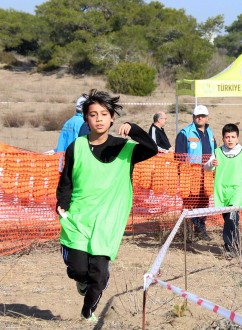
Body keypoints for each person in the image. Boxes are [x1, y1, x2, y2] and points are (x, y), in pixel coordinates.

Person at [56, 89, 158, 322]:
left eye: (104, 113)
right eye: (93, 114)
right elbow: (66, 181)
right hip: (79, 218)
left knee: (99, 276)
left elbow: (151, 149)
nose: (99, 118)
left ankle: (87, 311)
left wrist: (134, 129)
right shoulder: (76, 146)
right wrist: (61, 204)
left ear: (112, 117)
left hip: (109, 221)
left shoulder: (125, 148)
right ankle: (80, 280)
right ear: (86, 119)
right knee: (79, 269)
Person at [203, 123, 242, 256]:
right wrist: (211, 164)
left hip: (238, 190)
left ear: (237, 138)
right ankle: (234, 245)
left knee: (232, 218)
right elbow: (207, 167)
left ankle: (230, 248)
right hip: (222, 191)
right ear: (223, 138)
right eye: (227, 137)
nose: (230, 139)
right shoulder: (217, 151)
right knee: (228, 218)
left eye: (233, 137)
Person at [175, 105, 217, 241]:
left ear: (207, 117)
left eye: (203, 116)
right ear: (193, 117)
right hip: (190, 173)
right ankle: (188, 231)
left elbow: (215, 151)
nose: (200, 118)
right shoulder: (184, 133)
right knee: (190, 202)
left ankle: (200, 228)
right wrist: (183, 172)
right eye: (198, 116)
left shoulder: (210, 133)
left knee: (204, 201)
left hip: (207, 172)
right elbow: (178, 156)